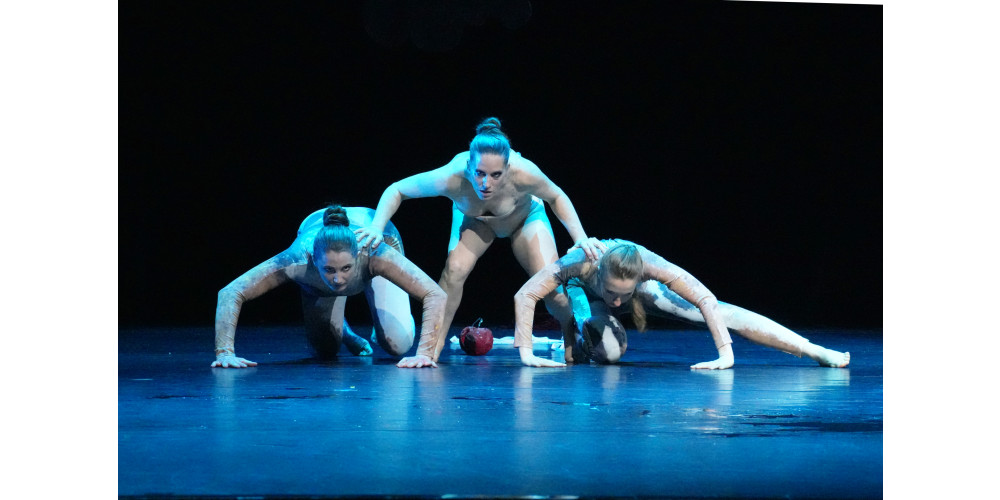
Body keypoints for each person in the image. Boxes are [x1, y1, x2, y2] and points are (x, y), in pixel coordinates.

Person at [354, 117, 605, 357]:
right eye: (479, 173)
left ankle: (572, 336)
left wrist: (580, 238)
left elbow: (557, 196)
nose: (485, 183)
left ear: (507, 168)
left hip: (523, 218)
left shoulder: (524, 172)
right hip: (475, 222)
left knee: (551, 286)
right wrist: (377, 227)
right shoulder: (451, 176)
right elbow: (397, 190)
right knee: (454, 271)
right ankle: (432, 348)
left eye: (496, 175)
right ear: (468, 166)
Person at [512, 239, 851, 369]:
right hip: (589, 299)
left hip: (646, 293)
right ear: (599, 272)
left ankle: (814, 350)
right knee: (607, 353)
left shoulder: (650, 267)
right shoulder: (580, 262)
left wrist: (725, 353)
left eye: (622, 295)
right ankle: (575, 336)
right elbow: (525, 294)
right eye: (612, 291)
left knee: (722, 313)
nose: (617, 300)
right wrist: (526, 352)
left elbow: (706, 298)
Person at [213, 205, 447, 369]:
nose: (338, 279)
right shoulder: (297, 260)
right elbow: (231, 292)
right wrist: (224, 353)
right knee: (325, 351)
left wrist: (424, 354)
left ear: (358, 256)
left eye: (346, 268)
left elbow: (434, 294)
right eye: (329, 270)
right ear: (314, 261)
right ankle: (345, 331)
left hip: (376, 230)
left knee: (397, 344)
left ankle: (372, 318)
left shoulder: (374, 251)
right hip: (316, 223)